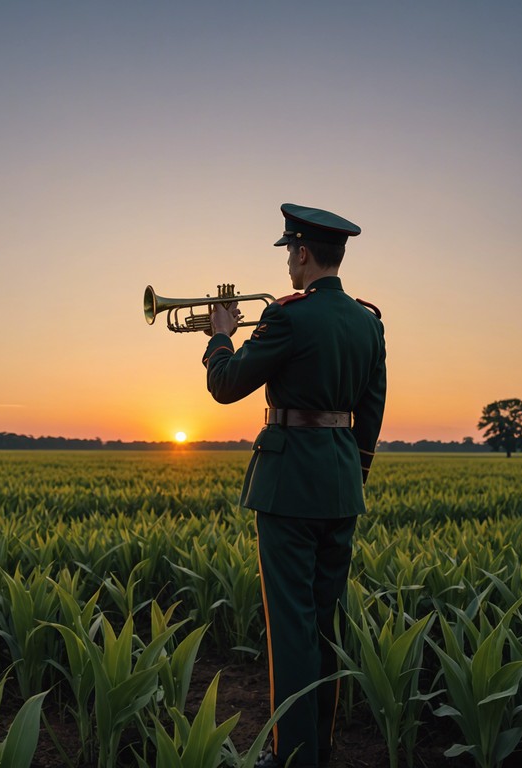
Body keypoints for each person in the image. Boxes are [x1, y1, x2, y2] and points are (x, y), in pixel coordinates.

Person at [202, 203, 387, 768]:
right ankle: (320, 749)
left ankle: (292, 757)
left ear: (303, 252)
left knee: (291, 629)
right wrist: (349, 476)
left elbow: (227, 386)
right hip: (339, 485)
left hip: (286, 489)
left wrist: (219, 336)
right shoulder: (368, 321)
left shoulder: (286, 317)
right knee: (325, 624)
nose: (287, 264)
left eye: (288, 253)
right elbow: (371, 409)